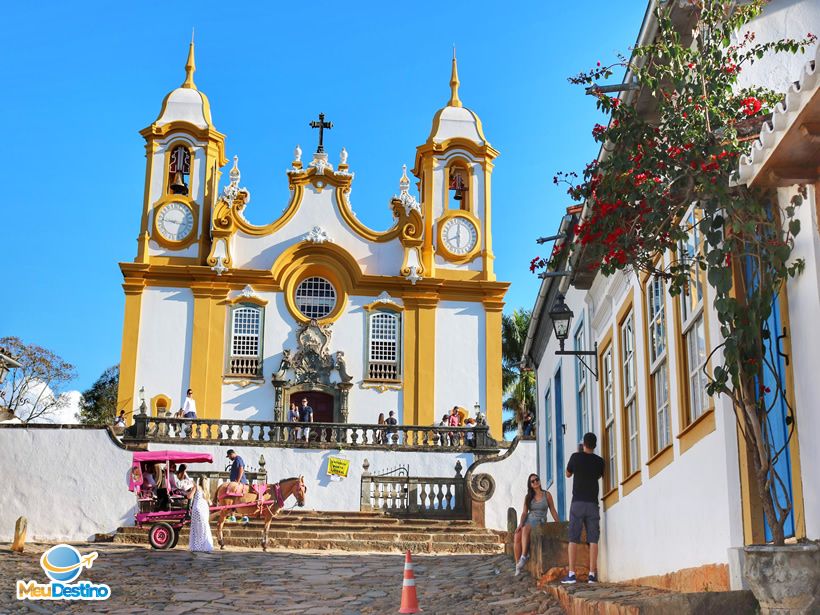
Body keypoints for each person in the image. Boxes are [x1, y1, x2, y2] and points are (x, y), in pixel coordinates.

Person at [562, 432, 605, 584]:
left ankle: (572, 574)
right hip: (592, 503)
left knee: (573, 539)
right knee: (593, 539)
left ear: (583, 444)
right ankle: (592, 574)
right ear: (595, 445)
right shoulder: (600, 461)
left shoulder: (575, 457)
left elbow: (567, 474)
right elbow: (599, 476)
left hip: (578, 503)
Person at [514, 473, 560, 575]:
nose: (535, 482)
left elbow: (552, 510)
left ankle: (524, 556)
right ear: (530, 484)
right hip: (529, 520)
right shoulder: (528, 497)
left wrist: (558, 523)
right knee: (517, 535)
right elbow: (524, 512)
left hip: (540, 521)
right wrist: (520, 524)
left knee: (526, 529)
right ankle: (517, 565)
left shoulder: (547, 495)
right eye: (532, 481)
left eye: (536, 479)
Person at [188, 476, 214, 553]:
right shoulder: (206, 491)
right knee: (204, 527)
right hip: (204, 511)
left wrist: (188, 492)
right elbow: (210, 503)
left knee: (196, 528)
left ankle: (196, 546)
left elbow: (189, 496)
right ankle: (204, 546)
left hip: (197, 510)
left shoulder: (197, 487)